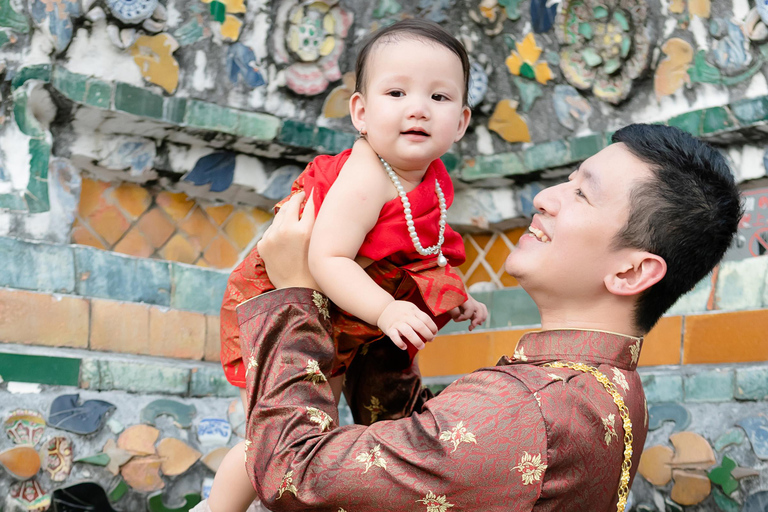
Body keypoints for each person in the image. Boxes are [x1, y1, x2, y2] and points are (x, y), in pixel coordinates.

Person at [232, 123, 742, 511]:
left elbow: (294, 471)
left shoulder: (527, 409)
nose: (545, 198)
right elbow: (418, 456)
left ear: (631, 272)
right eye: (566, 180)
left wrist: (294, 297)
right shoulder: (603, 388)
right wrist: (381, 311)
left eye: (582, 193)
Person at [204, 19, 488, 512]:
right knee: (289, 426)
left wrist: (453, 293)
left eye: (439, 98)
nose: (418, 108)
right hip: (302, 300)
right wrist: (387, 312)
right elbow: (326, 257)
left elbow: (422, 247)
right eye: (396, 92)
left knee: (319, 426)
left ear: (461, 122)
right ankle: (216, 508)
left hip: (344, 313)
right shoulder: (366, 176)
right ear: (360, 111)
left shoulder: (431, 177)